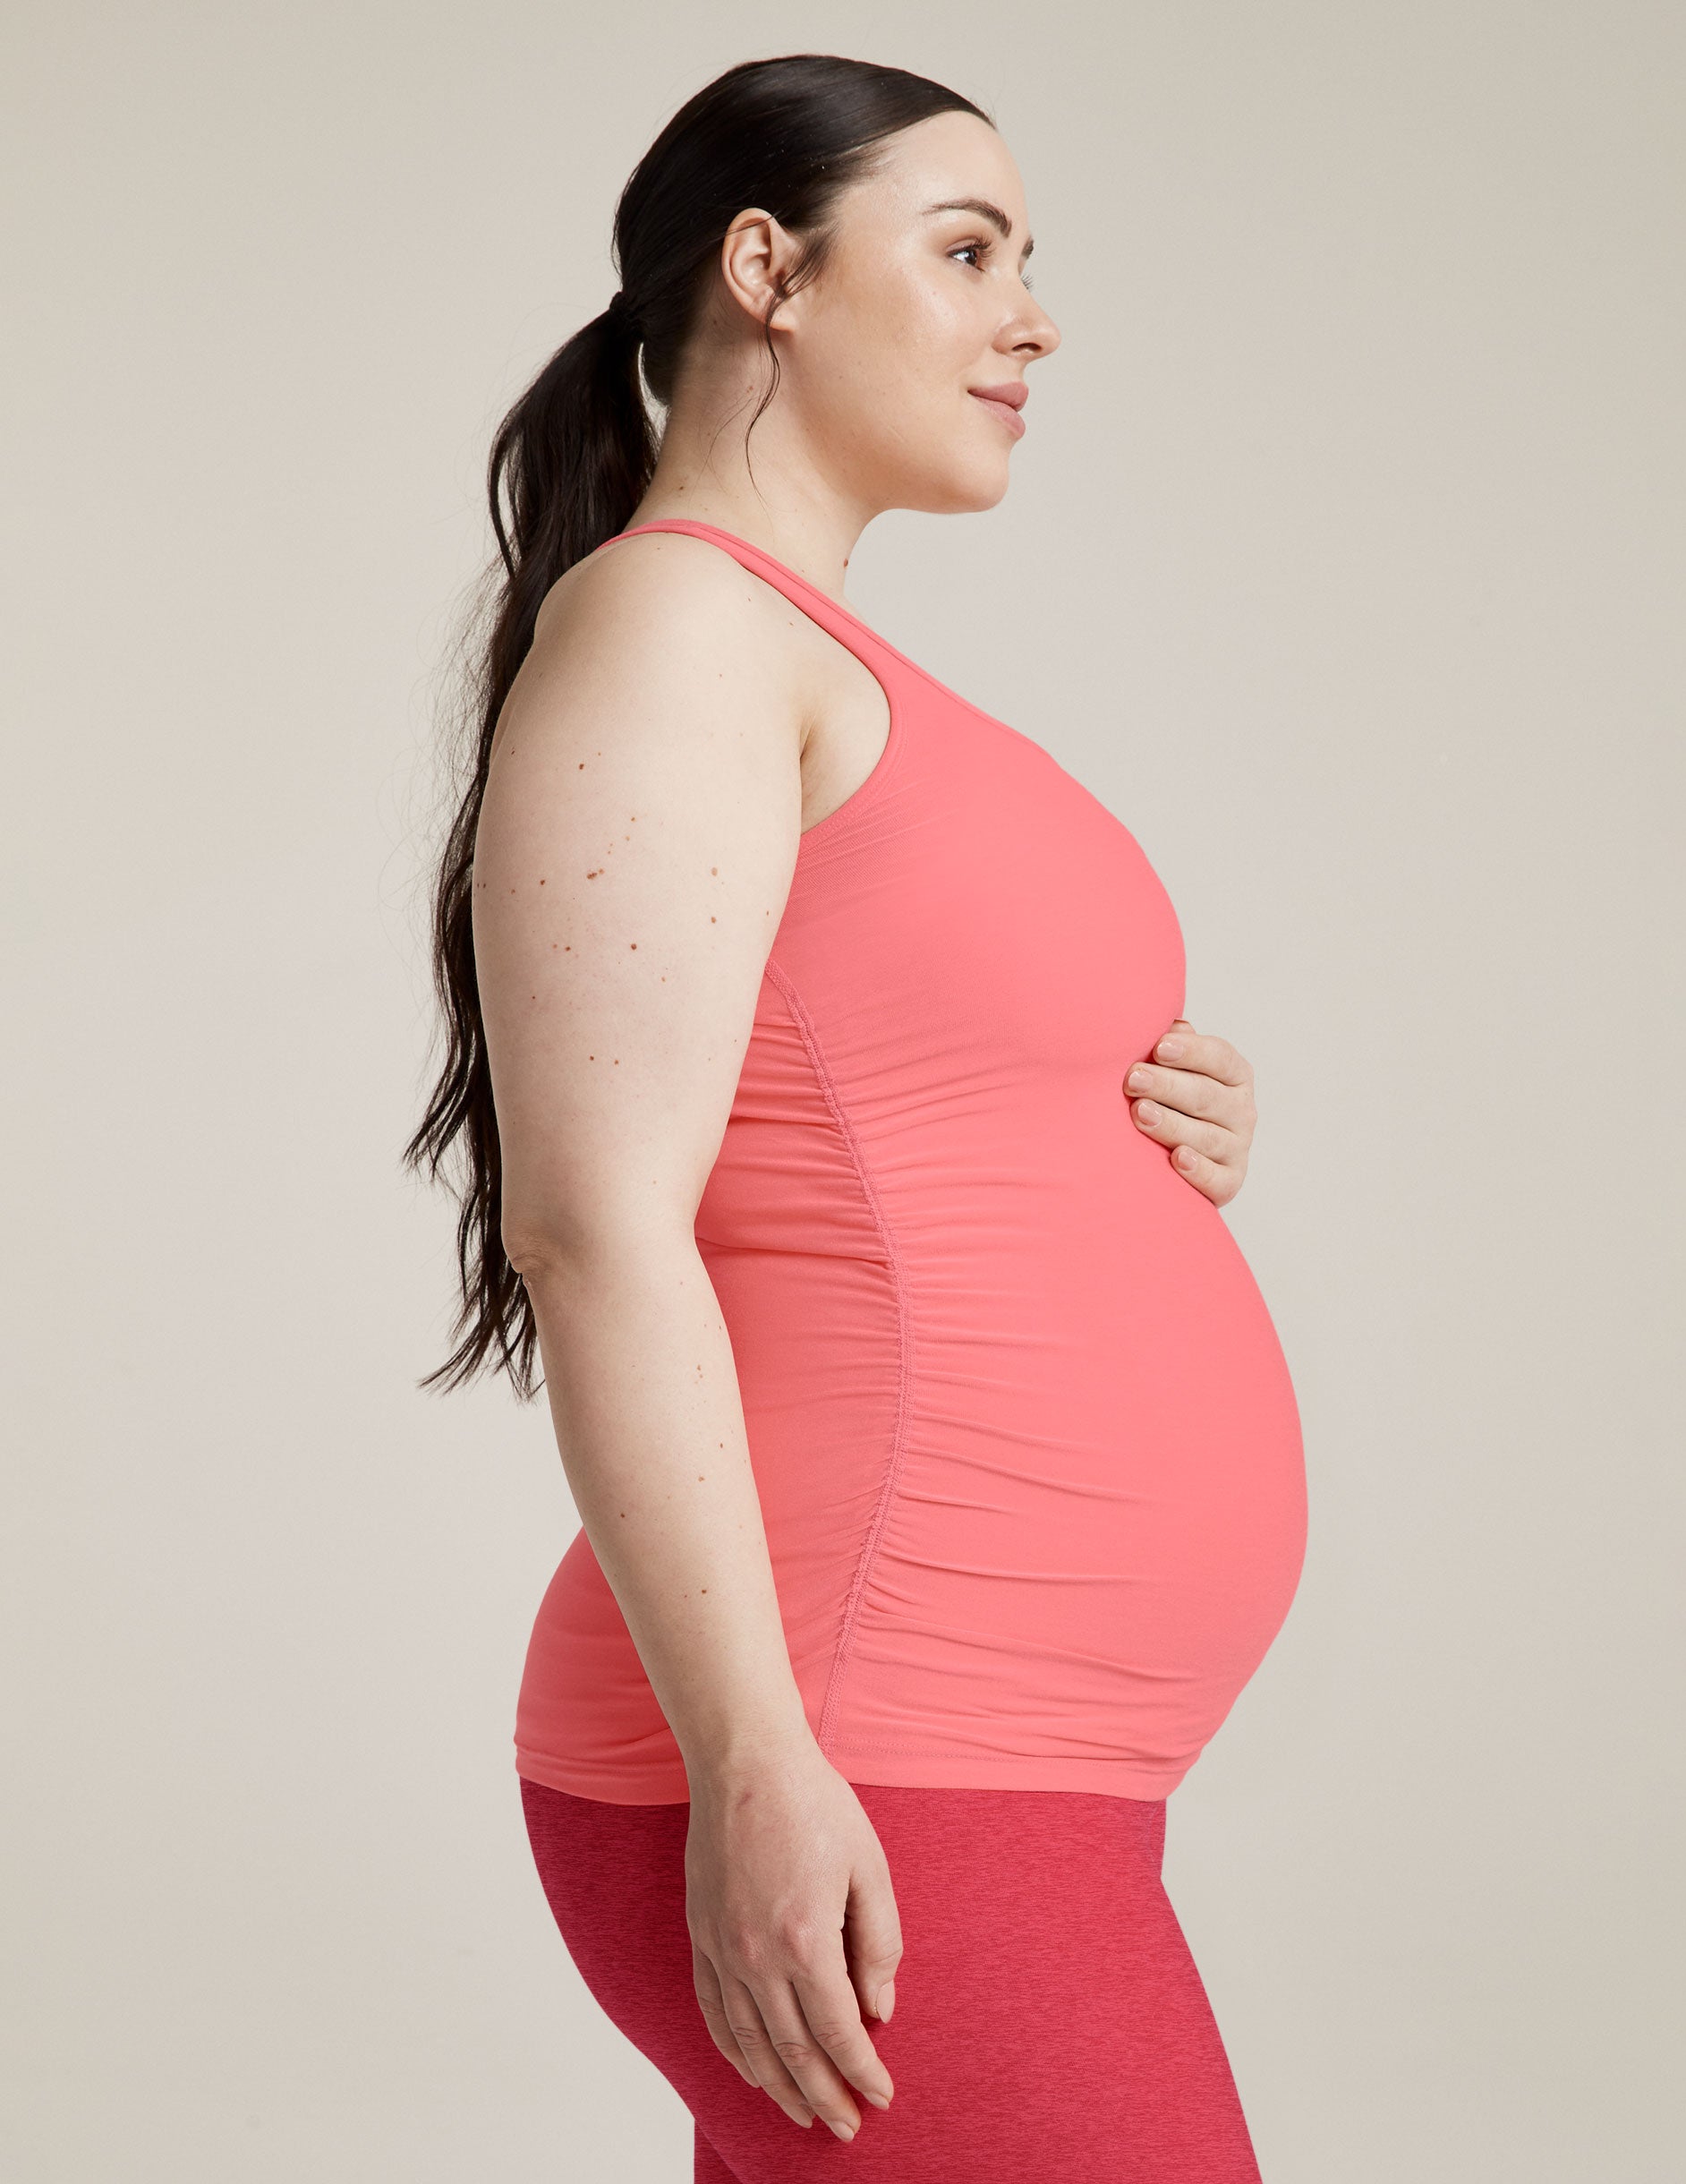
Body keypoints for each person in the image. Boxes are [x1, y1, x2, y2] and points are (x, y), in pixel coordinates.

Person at [407, 51, 1307, 2183]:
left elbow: (866, 1093)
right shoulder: (676, 627)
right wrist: (755, 1759)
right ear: (768, 272)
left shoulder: (799, 655)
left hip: (978, 1745)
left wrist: (1155, 1131)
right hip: (860, 1741)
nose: (1033, 318)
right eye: (969, 249)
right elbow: (595, 1226)